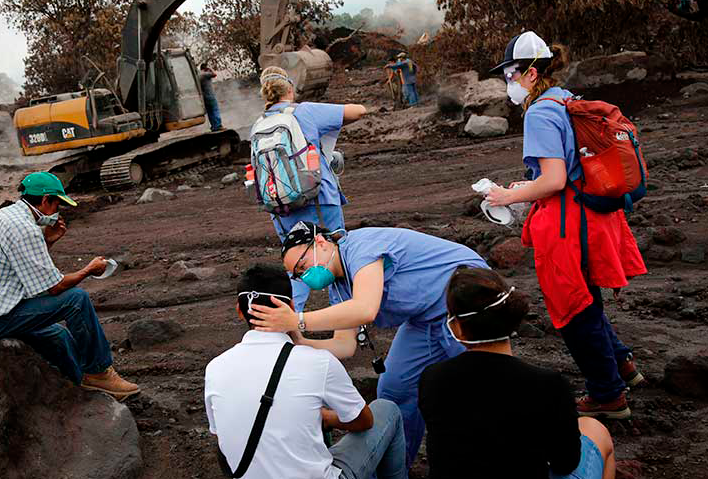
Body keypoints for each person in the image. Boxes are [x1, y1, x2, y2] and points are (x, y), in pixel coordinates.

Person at [486, 31, 646, 418]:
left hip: (566, 225)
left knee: (573, 308)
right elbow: (568, 170)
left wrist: (507, 197)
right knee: (588, 298)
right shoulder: (565, 99)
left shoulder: (540, 110)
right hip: (593, 216)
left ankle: (608, 395)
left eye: (510, 74)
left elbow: (555, 180)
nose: (508, 82)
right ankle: (622, 364)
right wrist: (531, 185)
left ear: (529, 72)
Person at [248, 221, 489, 466]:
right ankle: (396, 467)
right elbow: (345, 345)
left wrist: (298, 320)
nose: (305, 276)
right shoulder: (339, 288)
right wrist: (299, 341)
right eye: (298, 275)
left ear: (320, 242)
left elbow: (365, 309)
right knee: (394, 389)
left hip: (465, 297)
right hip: (426, 316)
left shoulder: (362, 247)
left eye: (302, 265)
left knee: (476, 387)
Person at [205, 264, 407, 479]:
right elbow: (364, 421)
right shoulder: (318, 362)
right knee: (387, 409)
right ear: (291, 307)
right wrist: (327, 418)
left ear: (239, 310)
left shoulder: (215, 367)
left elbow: (222, 437)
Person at [419, 267, 616, 479]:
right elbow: (566, 462)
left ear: (457, 326)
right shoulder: (549, 384)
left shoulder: (432, 377)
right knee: (594, 429)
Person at [0, 172, 140, 400]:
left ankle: (81, 385)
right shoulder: (23, 228)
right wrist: (88, 270)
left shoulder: (6, 216)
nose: (57, 211)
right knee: (76, 300)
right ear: (45, 201)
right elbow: (54, 287)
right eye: (57, 204)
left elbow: (33, 276)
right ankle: (99, 372)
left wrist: (48, 241)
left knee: (58, 334)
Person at [255, 66, 367, 311]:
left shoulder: (259, 125)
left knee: (297, 264)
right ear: (290, 90)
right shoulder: (304, 112)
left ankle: (289, 323)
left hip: (280, 208)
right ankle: (346, 324)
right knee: (335, 259)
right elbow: (359, 111)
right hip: (318, 200)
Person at [200, 62, 223, 132]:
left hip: (205, 97)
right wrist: (210, 68)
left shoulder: (199, 75)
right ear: (205, 68)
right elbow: (214, 74)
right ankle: (218, 125)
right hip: (210, 95)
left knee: (210, 112)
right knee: (215, 110)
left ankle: (214, 126)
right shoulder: (205, 74)